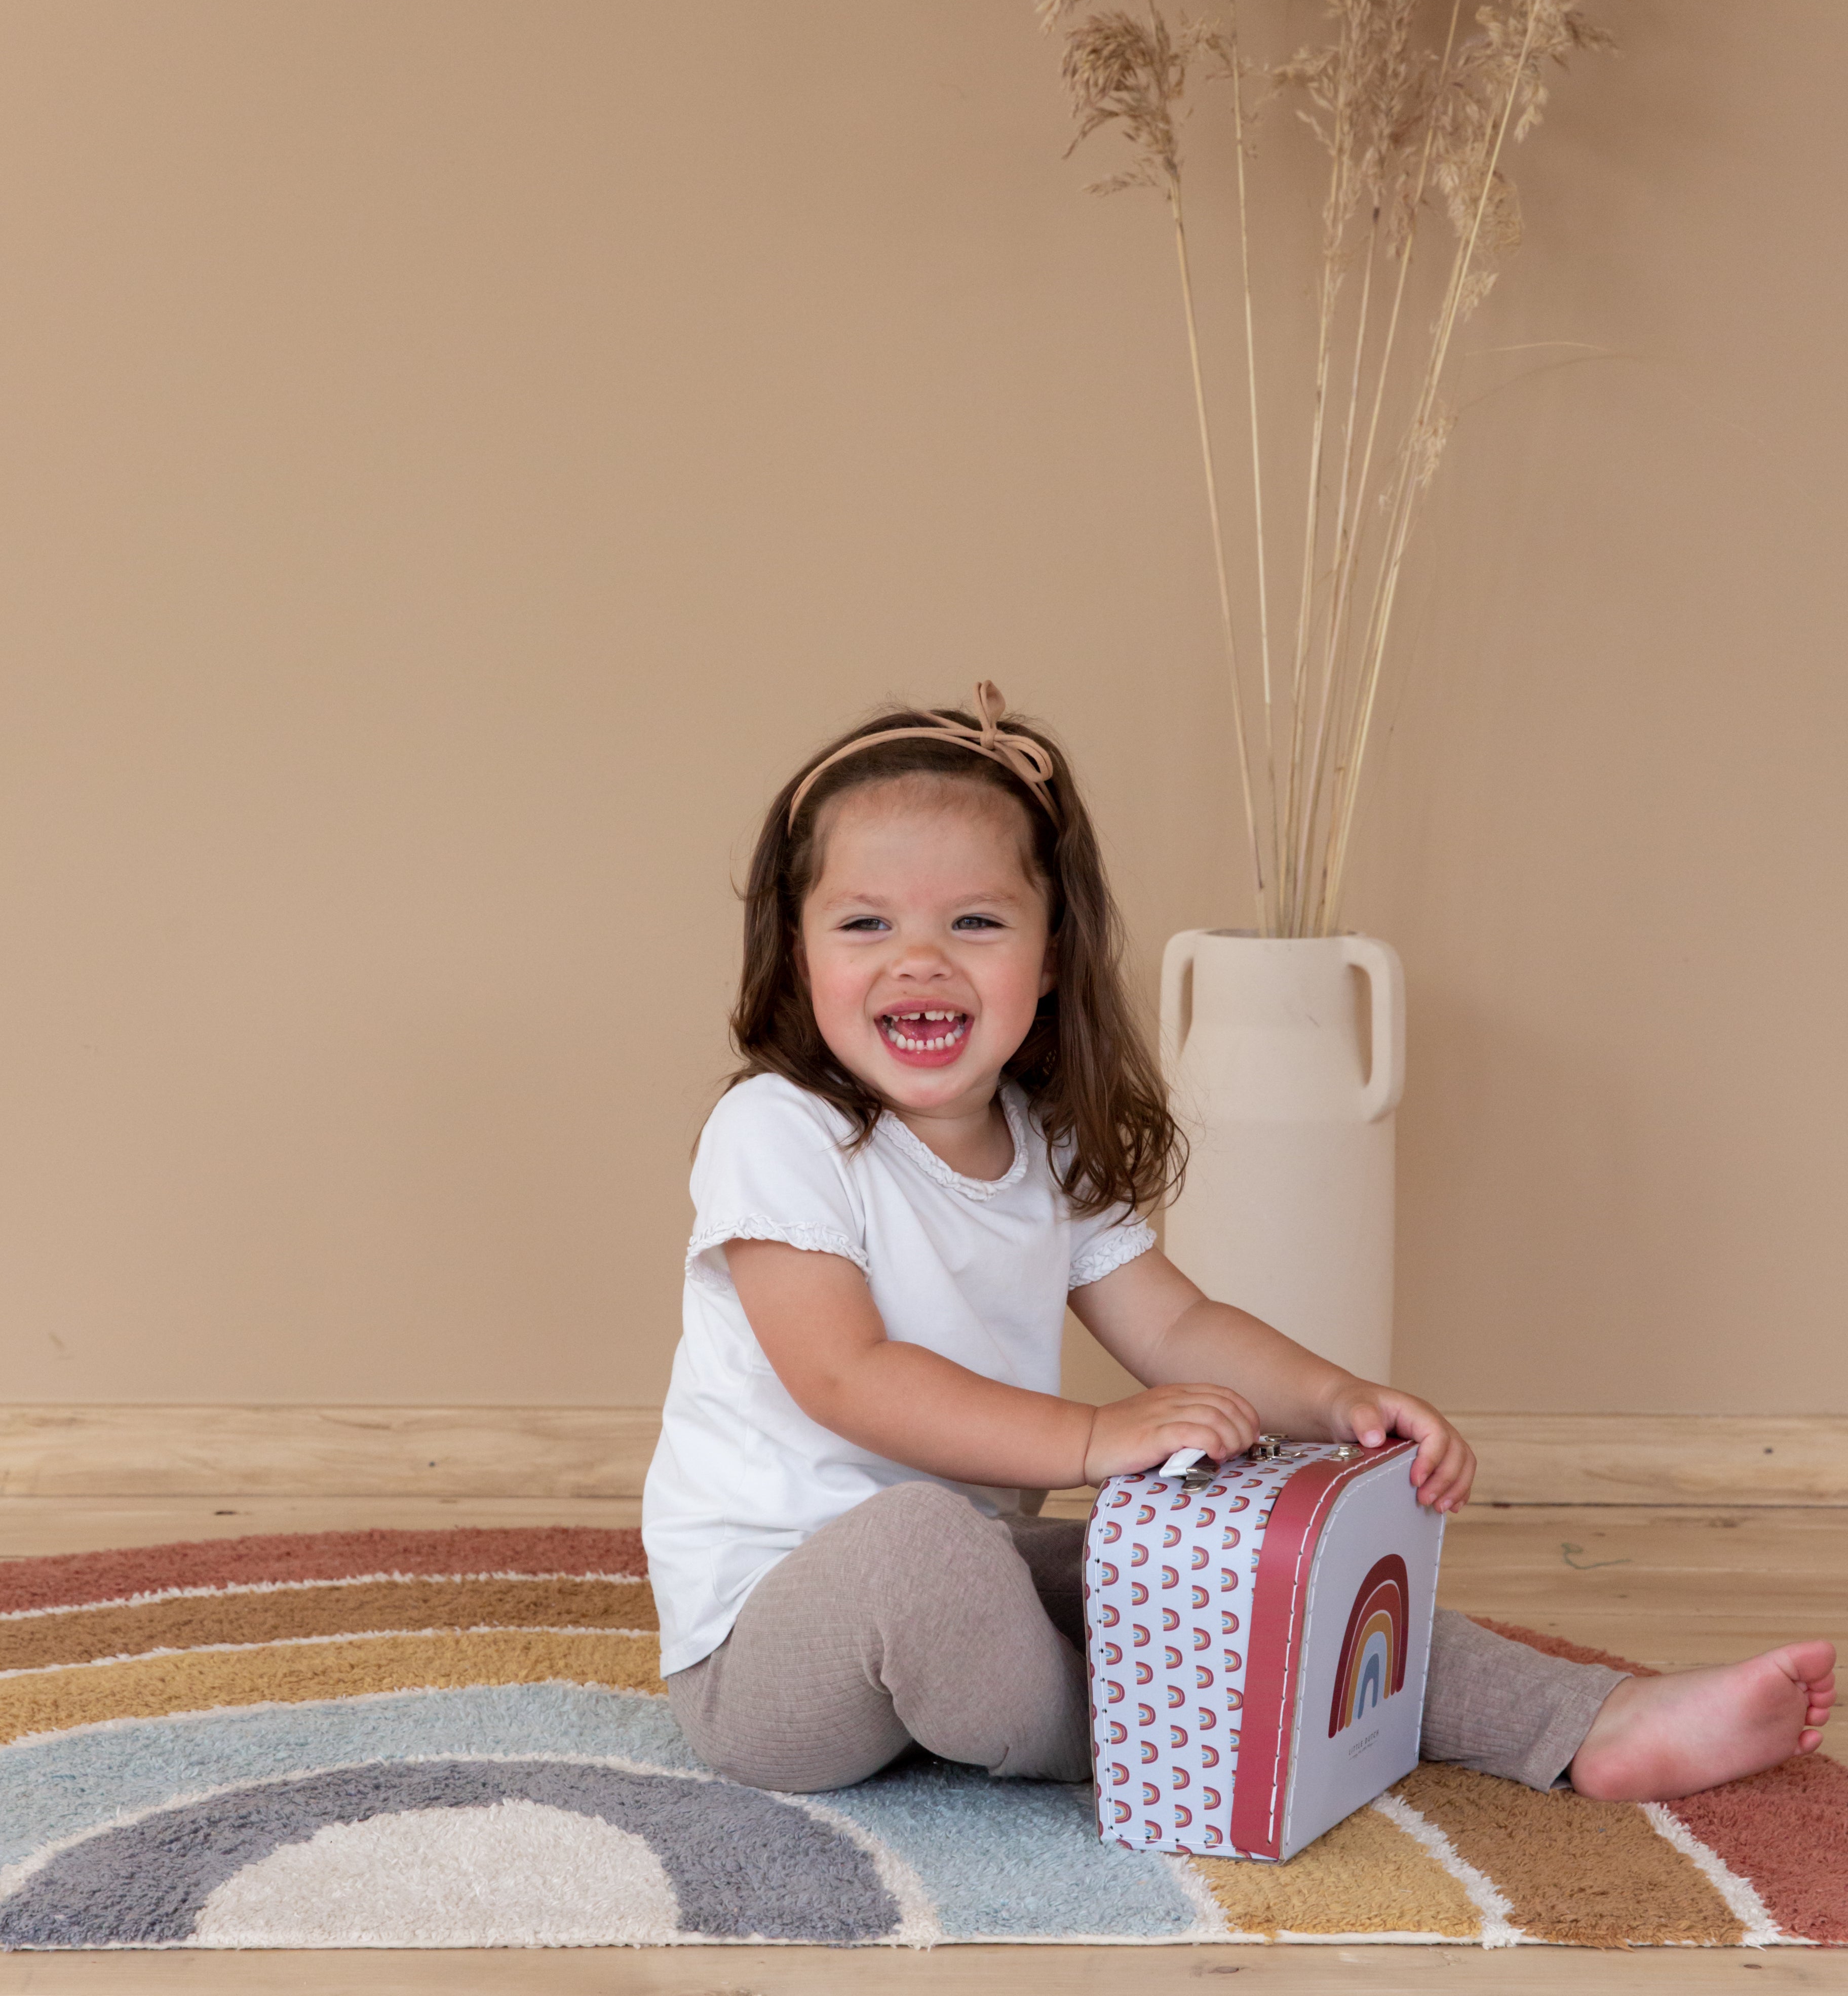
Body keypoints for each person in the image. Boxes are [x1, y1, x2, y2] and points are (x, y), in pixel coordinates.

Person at [642, 685, 1835, 1805]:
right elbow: (846, 1377)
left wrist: (1333, 1397)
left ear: (1049, 959)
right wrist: (1097, 1438)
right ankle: (1160, 1747)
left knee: (1264, 1558)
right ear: (799, 955)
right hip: (771, 1654)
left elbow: (1174, 1323)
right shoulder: (779, 1130)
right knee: (923, 1549)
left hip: (976, 1579)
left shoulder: (1040, 1140)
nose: (921, 958)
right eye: (865, 922)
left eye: (975, 921)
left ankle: (1593, 1724)